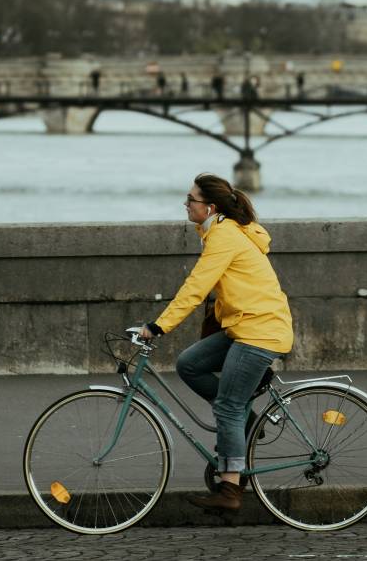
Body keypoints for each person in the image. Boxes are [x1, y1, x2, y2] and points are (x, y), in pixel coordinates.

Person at [140, 173, 294, 513]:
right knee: (189, 365)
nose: (185, 204)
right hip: (246, 325)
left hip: (260, 330)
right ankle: (247, 421)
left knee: (227, 406)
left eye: (190, 200)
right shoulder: (218, 230)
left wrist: (157, 326)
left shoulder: (224, 235)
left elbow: (195, 288)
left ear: (208, 207)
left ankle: (230, 489)